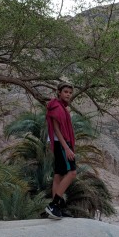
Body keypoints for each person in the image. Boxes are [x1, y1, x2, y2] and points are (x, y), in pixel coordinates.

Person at [44, 82, 77, 219]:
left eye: (70, 92)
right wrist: (67, 148)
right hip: (61, 144)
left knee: (58, 175)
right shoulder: (57, 108)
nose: (68, 94)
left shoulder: (60, 107)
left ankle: (55, 208)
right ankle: (54, 205)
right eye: (65, 92)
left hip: (59, 144)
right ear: (59, 92)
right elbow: (57, 130)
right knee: (72, 172)